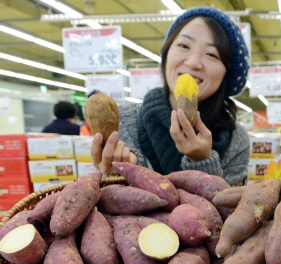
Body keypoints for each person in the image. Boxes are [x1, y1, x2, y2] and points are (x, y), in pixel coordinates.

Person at [90, 6, 251, 185]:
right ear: (166, 55)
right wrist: (120, 173)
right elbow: (113, 205)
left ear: (226, 74)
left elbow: (230, 210)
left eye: (212, 54)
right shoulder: (124, 121)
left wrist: (203, 162)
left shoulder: (236, 140)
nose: (193, 62)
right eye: (183, 46)